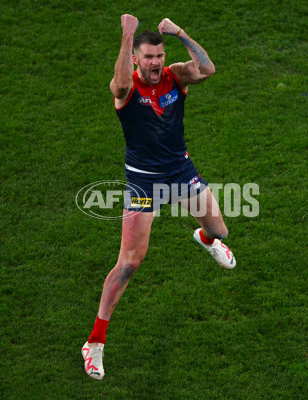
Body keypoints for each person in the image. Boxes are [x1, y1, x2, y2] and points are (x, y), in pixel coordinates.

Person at [81, 14, 236, 380]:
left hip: (180, 172)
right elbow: (118, 87)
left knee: (221, 231)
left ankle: (204, 237)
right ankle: (95, 343)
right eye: (148, 57)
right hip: (144, 183)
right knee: (129, 264)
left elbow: (208, 68)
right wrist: (127, 36)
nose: (155, 63)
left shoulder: (175, 76)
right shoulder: (128, 88)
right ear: (136, 58)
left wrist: (180, 32)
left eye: (159, 55)